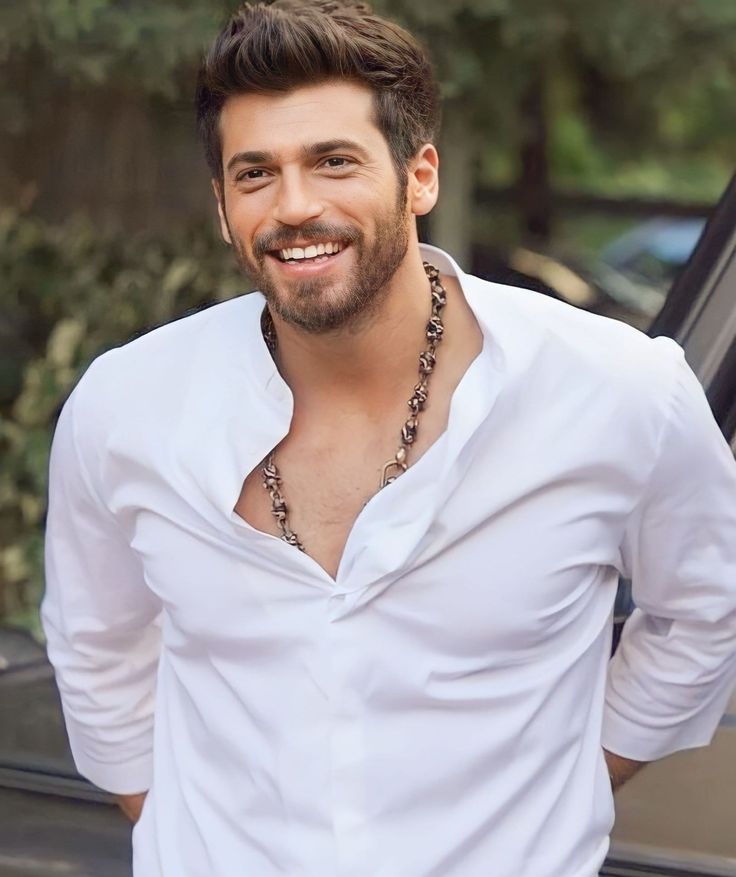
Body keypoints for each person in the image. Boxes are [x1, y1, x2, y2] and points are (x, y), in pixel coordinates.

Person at [41, 2, 736, 876]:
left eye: (334, 162)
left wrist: (581, 778)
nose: (295, 206)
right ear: (222, 206)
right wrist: (172, 823)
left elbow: (709, 608)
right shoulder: (125, 406)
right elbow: (97, 644)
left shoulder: (619, 389)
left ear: (420, 176)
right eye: (255, 174)